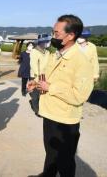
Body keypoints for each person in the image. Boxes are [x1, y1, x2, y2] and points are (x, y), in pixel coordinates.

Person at [27, 15, 94, 177]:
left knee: (65, 161)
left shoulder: (81, 61)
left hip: (65, 120)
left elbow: (80, 96)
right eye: (53, 32)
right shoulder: (56, 54)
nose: (53, 36)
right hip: (49, 113)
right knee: (50, 152)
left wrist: (50, 87)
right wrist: (36, 83)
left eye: (56, 33)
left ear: (70, 36)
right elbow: (48, 76)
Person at [29, 36, 51, 115]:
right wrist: (37, 78)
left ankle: (41, 108)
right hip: (36, 76)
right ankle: (36, 110)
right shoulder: (34, 51)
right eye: (46, 41)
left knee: (42, 94)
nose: (47, 43)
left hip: (45, 76)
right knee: (35, 95)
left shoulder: (47, 52)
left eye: (47, 41)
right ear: (40, 42)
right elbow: (33, 65)